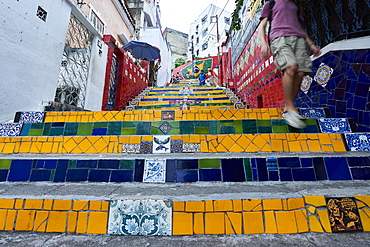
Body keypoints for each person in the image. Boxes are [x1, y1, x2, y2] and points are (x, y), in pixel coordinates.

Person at [259, 0, 321, 128]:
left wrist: (311, 45)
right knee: (291, 67)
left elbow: (300, 28)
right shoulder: (271, 4)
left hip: (298, 39)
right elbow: (262, 26)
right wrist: (264, 44)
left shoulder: (295, 5)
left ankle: (289, 108)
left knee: (300, 73)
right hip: (279, 38)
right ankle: (290, 108)